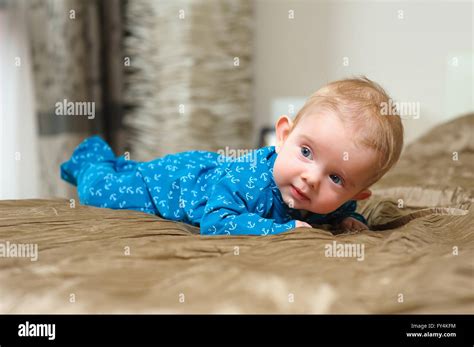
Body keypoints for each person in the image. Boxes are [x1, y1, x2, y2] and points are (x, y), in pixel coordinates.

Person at [60, 77, 404, 235]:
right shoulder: (251, 181)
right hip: (175, 183)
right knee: (100, 191)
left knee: (130, 171)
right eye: (305, 152)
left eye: (336, 178)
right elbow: (215, 222)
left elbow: (343, 211)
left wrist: (348, 221)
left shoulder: (337, 203)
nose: (311, 178)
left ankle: (120, 165)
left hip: (206, 171)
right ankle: (93, 156)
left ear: (356, 194)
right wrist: (279, 230)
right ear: (283, 136)